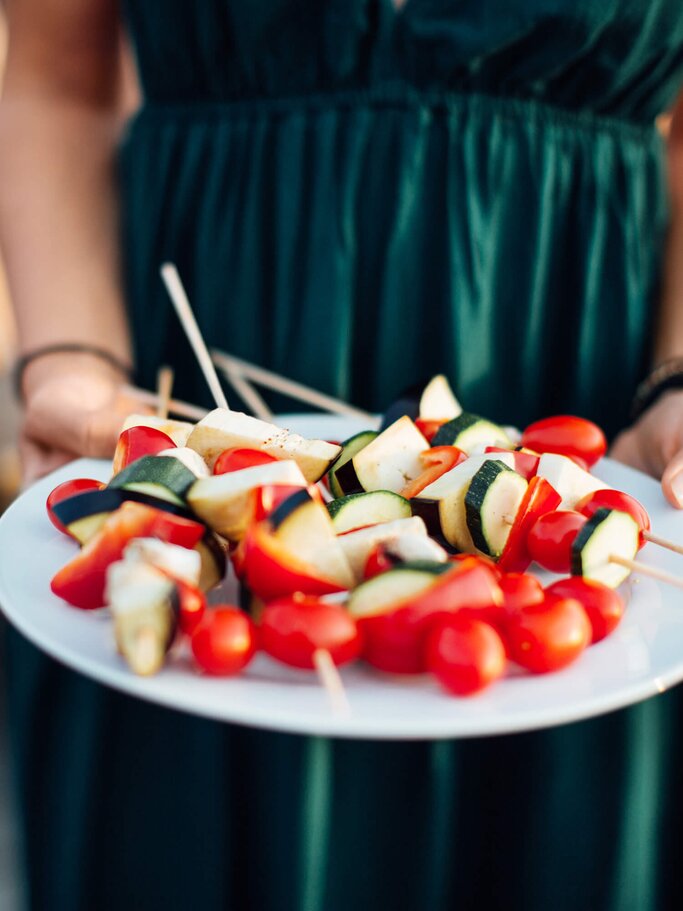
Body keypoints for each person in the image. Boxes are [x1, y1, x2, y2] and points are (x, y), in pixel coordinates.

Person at [2, 1, 683, 909]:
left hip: (580, 346)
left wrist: (674, 379)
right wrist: (73, 359)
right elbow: (56, 79)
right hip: (189, 323)